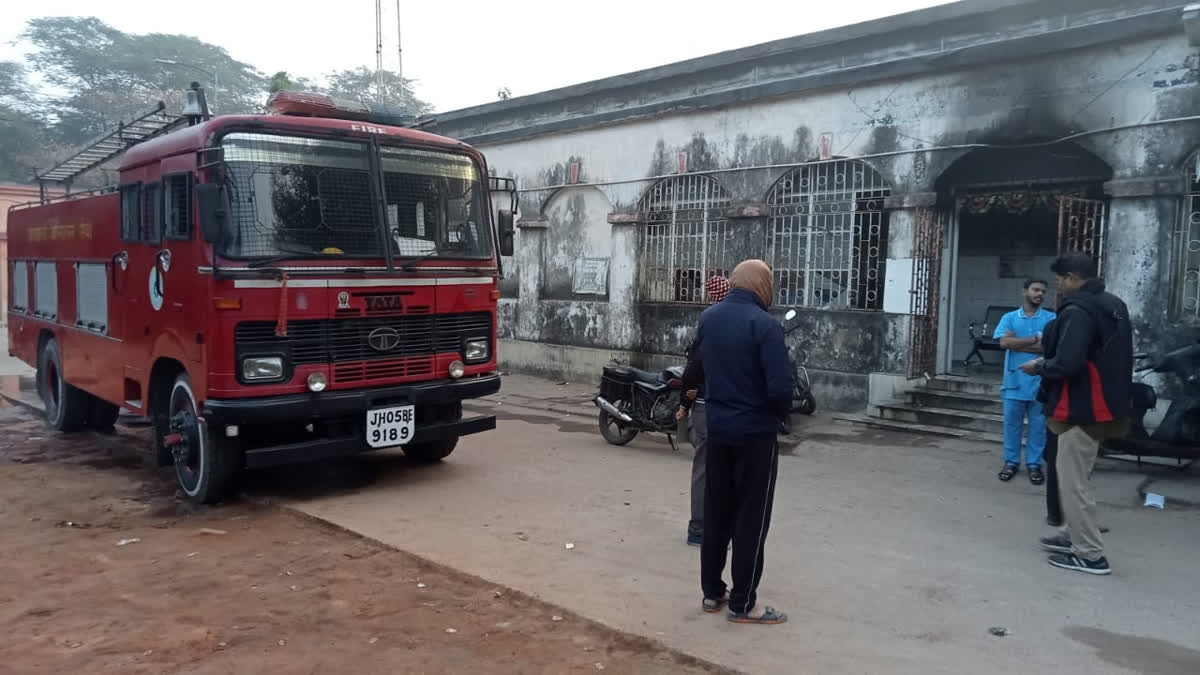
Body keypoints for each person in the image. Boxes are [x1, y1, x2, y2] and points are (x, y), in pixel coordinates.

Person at [695, 259, 794, 624]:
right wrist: (779, 415)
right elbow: (781, 387)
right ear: (762, 285)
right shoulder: (765, 326)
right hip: (755, 436)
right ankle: (743, 603)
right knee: (751, 519)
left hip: (717, 430)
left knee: (716, 513)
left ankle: (711, 593)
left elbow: (703, 368)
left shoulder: (709, 319)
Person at [1020, 251, 1131, 576]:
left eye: (1059, 280)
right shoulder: (1113, 304)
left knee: (1073, 481)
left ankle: (1090, 555)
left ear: (1071, 278)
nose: (1057, 286)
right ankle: (1074, 536)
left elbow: (1068, 362)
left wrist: (1039, 366)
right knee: (1078, 476)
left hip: (1081, 407)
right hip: (1105, 403)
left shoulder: (1080, 310)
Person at [677, 274, 731, 547]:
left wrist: (688, 396)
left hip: (706, 404)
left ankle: (699, 526)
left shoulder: (709, 320)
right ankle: (715, 525)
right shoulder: (747, 321)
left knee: (704, 467)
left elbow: (693, 370)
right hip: (731, 408)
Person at [993, 279, 1056, 485]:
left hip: (1040, 383)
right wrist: (1033, 340)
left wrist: (1017, 343)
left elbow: (1049, 349)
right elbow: (1003, 343)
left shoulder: (1051, 318)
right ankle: (1011, 463)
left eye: (1043, 291)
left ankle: (1034, 465)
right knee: (1012, 425)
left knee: (1038, 427)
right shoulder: (1010, 317)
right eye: (1036, 289)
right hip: (1014, 382)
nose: (1040, 294)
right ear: (1024, 292)